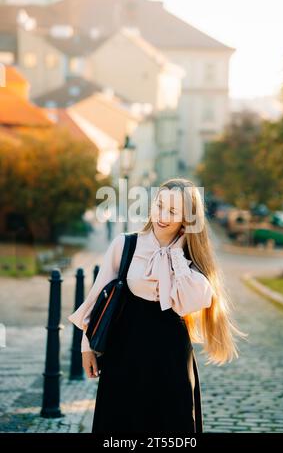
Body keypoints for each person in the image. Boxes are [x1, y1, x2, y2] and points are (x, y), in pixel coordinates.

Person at [68, 178, 246, 434]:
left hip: (170, 359)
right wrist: (87, 348)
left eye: (173, 212)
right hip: (124, 355)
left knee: (172, 428)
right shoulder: (125, 244)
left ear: (187, 218)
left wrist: (176, 254)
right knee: (120, 428)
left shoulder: (189, 259)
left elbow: (191, 302)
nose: (162, 216)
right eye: (159, 205)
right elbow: (97, 299)